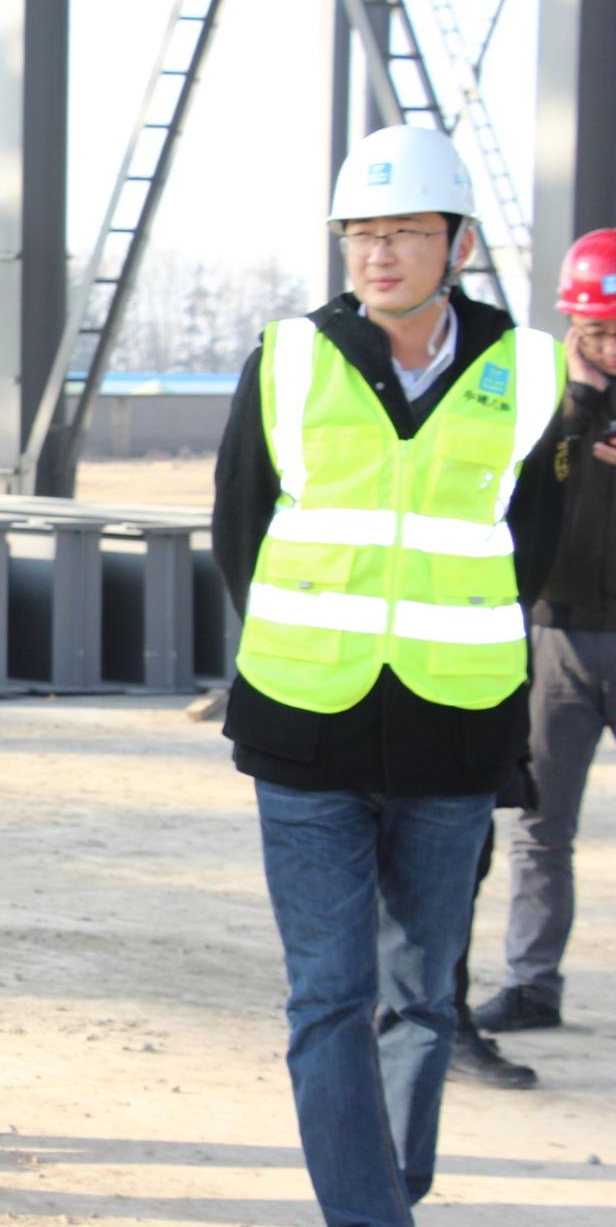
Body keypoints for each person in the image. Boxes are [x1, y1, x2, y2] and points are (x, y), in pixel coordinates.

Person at [211, 124, 567, 1226]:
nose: (378, 252)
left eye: (406, 230)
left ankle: (388, 1190)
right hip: (305, 723)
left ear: (458, 244)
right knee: (330, 994)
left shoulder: (528, 370)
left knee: (421, 996)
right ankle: (369, 1215)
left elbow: (533, 546)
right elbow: (239, 531)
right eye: (360, 232)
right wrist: (312, 643)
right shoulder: (288, 360)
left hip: (455, 726)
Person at [474, 227, 616, 1036]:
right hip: (557, 637)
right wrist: (579, 408)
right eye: (597, 331)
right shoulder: (541, 399)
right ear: (572, 324)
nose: (611, 347)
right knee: (540, 826)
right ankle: (532, 986)